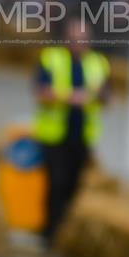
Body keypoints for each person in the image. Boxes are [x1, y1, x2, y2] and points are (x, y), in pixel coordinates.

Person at [33, 16, 111, 245]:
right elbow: (41, 92)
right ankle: (50, 234)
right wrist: (69, 97)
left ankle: (64, 232)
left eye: (83, 38)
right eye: (76, 38)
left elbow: (107, 96)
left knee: (74, 186)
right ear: (67, 39)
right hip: (53, 135)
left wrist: (94, 97)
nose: (80, 43)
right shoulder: (51, 58)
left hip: (83, 135)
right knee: (56, 183)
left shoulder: (99, 63)